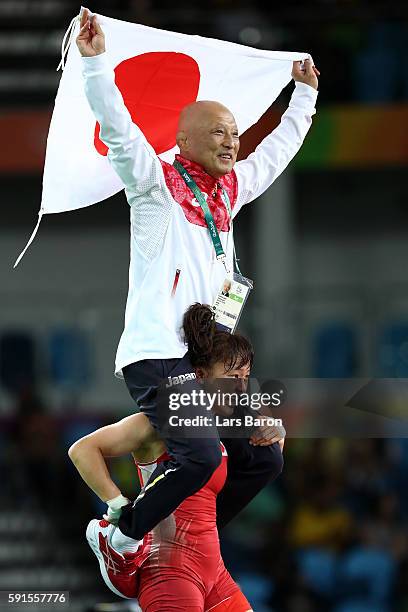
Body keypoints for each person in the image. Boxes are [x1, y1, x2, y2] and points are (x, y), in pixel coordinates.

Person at [76, 9, 318, 542]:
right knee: (203, 455)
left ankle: (188, 539)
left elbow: (274, 154)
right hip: (159, 353)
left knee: (264, 456)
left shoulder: (228, 196)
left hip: (204, 358)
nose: (232, 141)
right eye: (218, 132)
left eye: (235, 133)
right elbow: (118, 132)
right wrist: (96, 66)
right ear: (183, 140)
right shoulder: (153, 188)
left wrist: (304, 99)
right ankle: (124, 535)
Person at [69, 304, 267, 610]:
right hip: (169, 573)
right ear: (200, 377)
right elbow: (81, 450)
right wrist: (117, 503)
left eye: (245, 376)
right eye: (231, 376)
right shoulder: (157, 422)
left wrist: (273, 432)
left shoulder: (221, 427)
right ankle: (114, 543)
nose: (240, 388)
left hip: (215, 573)